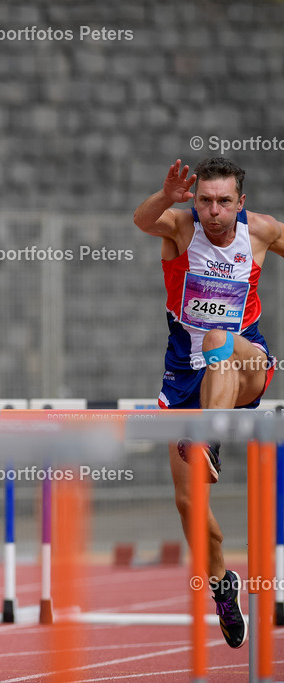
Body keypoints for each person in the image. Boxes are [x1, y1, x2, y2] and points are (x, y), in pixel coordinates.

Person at [133, 156, 282, 649]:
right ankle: (221, 584)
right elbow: (141, 220)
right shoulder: (181, 226)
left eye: (223, 202)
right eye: (205, 201)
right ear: (194, 200)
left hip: (245, 363)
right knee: (188, 503)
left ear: (241, 203)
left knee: (220, 337)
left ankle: (208, 439)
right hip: (185, 377)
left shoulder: (261, 231)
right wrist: (165, 196)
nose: (213, 212)